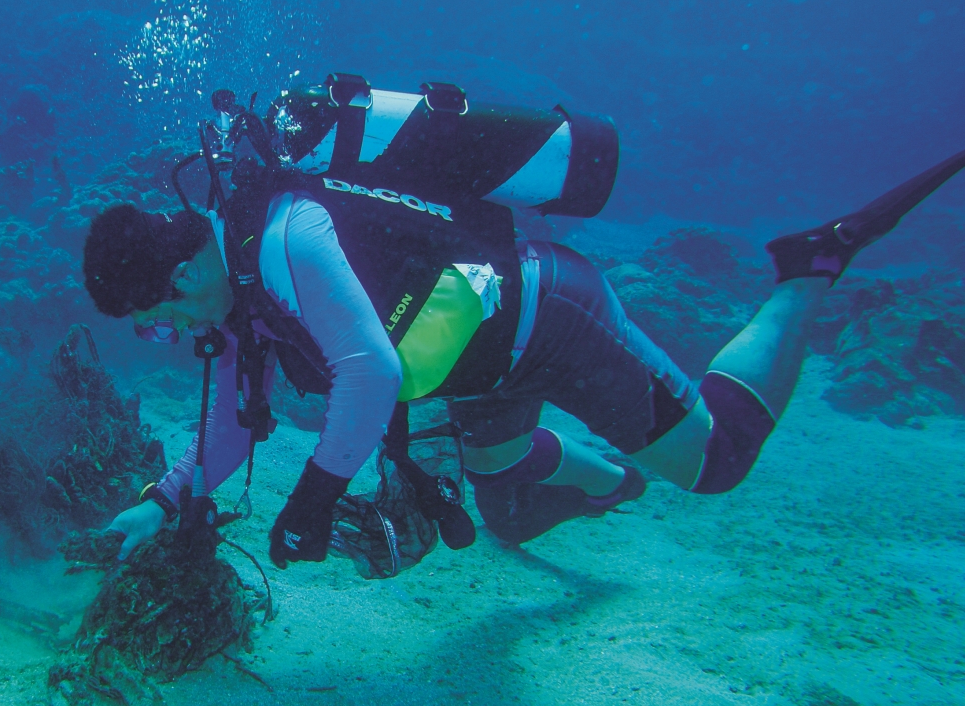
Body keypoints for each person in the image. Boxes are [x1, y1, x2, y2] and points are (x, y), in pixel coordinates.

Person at [82, 77, 965, 570]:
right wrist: (159, 504)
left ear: (185, 267)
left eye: (158, 315)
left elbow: (372, 375)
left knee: (718, 462)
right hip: (483, 359)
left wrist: (313, 501)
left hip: (553, 321)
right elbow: (234, 427)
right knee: (504, 499)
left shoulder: (284, 237)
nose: (168, 332)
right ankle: (618, 482)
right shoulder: (237, 293)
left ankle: (808, 265)